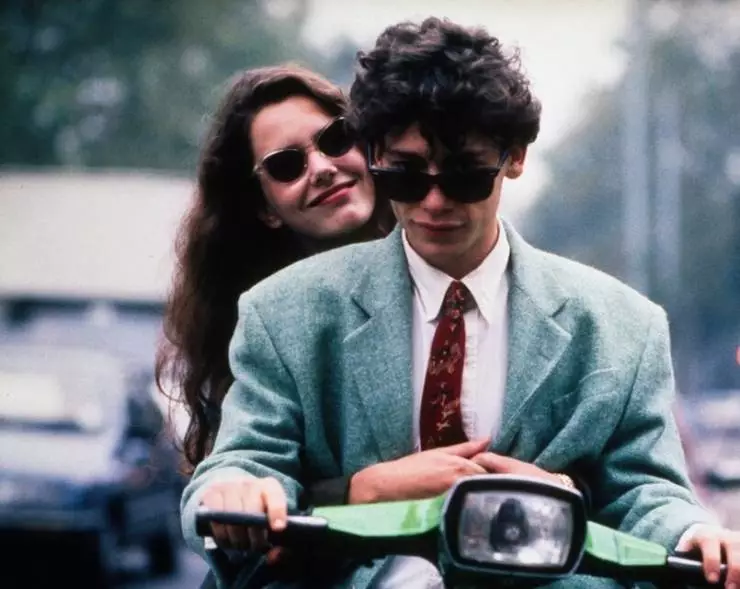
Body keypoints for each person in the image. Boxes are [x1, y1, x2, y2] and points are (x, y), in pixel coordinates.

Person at [181, 17, 740, 589]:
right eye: (406, 176)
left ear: (514, 158)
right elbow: (244, 460)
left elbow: (647, 489)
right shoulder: (283, 312)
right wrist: (238, 489)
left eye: (465, 175)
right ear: (373, 156)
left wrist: (693, 532)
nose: (435, 201)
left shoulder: (624, 327)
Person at [156, 64, 394, 479]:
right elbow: (251, 480)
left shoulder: (443, 270)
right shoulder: (260, 329)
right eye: (286, 165)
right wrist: (361, 490)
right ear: (265, 208)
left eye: (335, 139)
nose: (321, 168)